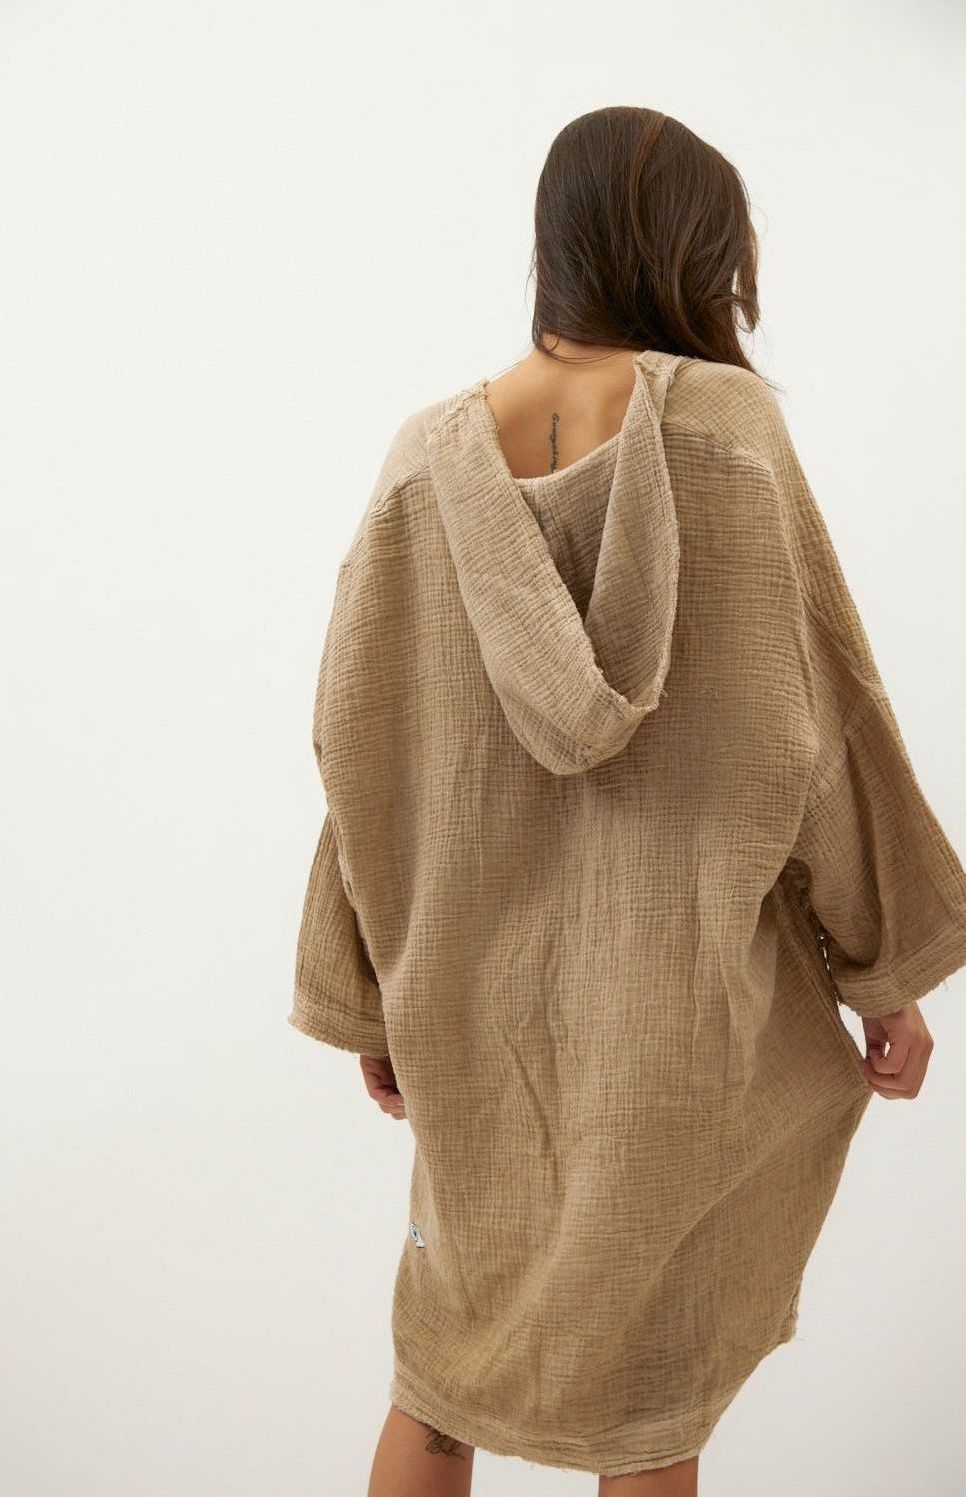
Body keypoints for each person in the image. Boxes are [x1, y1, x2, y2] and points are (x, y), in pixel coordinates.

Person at [289, 106, 966, 1495]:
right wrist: (884, 973)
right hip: (681, 1019)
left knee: (440, 1377)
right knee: (652, 1403)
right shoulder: (728, 433)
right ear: (692, 255)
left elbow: (359, 749)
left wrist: (365, 992)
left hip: (471, 1015)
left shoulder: (422, 460)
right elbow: (821, 717)